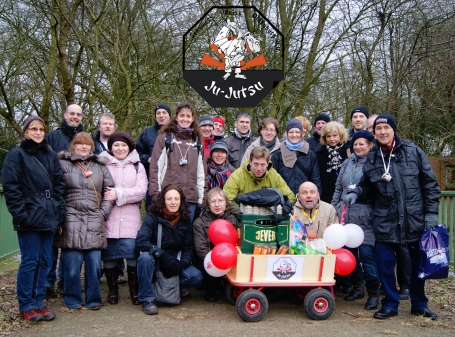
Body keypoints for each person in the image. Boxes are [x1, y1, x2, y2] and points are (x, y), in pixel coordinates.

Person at [343, 113, 440, 320]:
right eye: (378, 129)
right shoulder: (373, 156)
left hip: (413, 219)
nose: (382, 132)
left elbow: (430, 184)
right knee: (384, 265)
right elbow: (368, 186)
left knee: (415, 267)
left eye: (386, 128)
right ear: (374, 133)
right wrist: (356, 193)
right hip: (385, 220)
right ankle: (389, 303)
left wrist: (431, 213)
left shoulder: (413, 151)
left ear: (393, 130)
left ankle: (419, 304)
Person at [1, 115, 66, 322]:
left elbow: (59, 186)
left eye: (41, 129)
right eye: (33, 129)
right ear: (25, 131)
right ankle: (26, 304)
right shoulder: (16, 155)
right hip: (29, 214)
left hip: (49, 214)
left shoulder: (50, 154)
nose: (38, 132)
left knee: (45, 260)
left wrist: (59, 215)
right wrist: (21, 214)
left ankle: (38, 302)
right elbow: (11, 188)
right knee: (30, 261)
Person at [57, 132, 114, 310]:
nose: (83, 147)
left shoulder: (100, 166)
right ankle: (72, 299)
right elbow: (57, 191)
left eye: (87, 144)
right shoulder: (63, 164)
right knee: (72, 266)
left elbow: (110, 193)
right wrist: (61, 215)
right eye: (79, 143)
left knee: (95, 265)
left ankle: (93, 299)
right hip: (70, 220)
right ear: (73, 145)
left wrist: (102, 214)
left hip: (94, 220)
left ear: (92, 146)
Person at [135, 184, 204, 315]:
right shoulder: (153, 216)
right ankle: (147, 298)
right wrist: (161, 255)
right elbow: (140, 241)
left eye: (176, 199)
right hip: (156, 261)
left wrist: (181, 264)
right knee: (144, 258)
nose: (173, 202)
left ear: (181, 201)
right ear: (163, 200)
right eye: (169, 199)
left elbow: (189, 247)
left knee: (196, 276)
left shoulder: (185, 219)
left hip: (174, 263)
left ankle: (173, 287)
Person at [331, 130, 380, 310]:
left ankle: (373, 292)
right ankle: (357, 287)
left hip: (365, 218)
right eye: (355, 144)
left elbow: (375, 191)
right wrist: (335, 207)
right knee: (349, 255)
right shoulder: (347, 162)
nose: (358, 147)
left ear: (370, 145)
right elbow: (339, 189)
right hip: (346, 215)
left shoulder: (375, 164)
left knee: (366, 256)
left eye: (362, 144)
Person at [98, 132, 148, 305]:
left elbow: (141, 191)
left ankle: (134, 291)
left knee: (132, 255)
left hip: (130, 218)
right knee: (110, 256)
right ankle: (113, 291)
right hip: (109, 217)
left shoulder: (137, 166)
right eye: (116, 145)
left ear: (129, 148)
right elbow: (100, 189)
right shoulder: (102, 164)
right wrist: (110, 195)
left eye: (124, 145)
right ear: (111, 147)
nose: (120, 148)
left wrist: (118, 193)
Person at [45, 103, 84, 296]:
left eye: (78, 114)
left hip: (77, 196)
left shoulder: (84, 139)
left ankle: (64, 279)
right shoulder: (52, 137)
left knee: (69, 242)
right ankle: (47, 281)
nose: (75, 117)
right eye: (72, 113)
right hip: (55, 195)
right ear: (65, 115)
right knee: (52, 242)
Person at [149, 102, 206, 223]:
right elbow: (155, 168)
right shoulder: (165, 138)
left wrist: (201, 199)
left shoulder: (197, 142)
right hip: (169, 198)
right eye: (182, 116)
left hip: (190, 198)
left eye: (188, 116)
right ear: (176, 117)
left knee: (185, 238)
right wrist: (156, 194)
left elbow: (202, 174)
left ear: (192, 119)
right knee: (166, 237)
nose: (185, 119)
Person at [193, 188, 236, 302]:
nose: (217, 205)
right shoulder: (199, 223)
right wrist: (216, 261)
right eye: (213, 201)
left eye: (220, 201)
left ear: (226, 203)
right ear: (208, 204)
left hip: (230, 258)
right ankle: (210, 290)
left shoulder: (234, 220)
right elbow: (201, 249)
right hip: (210, 260)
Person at [223, 146, 296, 214]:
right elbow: (227, 198)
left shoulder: (274, 175)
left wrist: (281, 210)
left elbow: (290, 197)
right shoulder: (238, 175)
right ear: (250, 162)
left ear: (267, 164)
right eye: (256, 164)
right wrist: (241, 214)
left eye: (262, 165)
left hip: (269, 215)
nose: (259, 168)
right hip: (245, 214)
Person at [271, 119, 322, 195]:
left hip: (305, 198)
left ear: (302, 134)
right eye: (291, 132)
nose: (294, 135)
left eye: (297, 132)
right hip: (284, 199)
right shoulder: (278, 155)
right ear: (287, 134)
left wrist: (317, 196)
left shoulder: (310, 154)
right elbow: (272, 179)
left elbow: (316, 179)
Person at [136, 104, 172, 209]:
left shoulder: (176, 133)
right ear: (155, 116)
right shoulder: (148, 132)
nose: (161, 115)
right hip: (152, 179)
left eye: (164, 113)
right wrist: (147, 159)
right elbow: (137, 153)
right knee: (152, 211)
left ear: (169, 115)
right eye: (158, 113)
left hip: (172, 179)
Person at [316, 121, 350, 203]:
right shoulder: (319, 153)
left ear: (341, 135)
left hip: (345, 190)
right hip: (326, 192)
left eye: (335, 135)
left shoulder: (348, 150)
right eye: (328, 136)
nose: (332, 139)